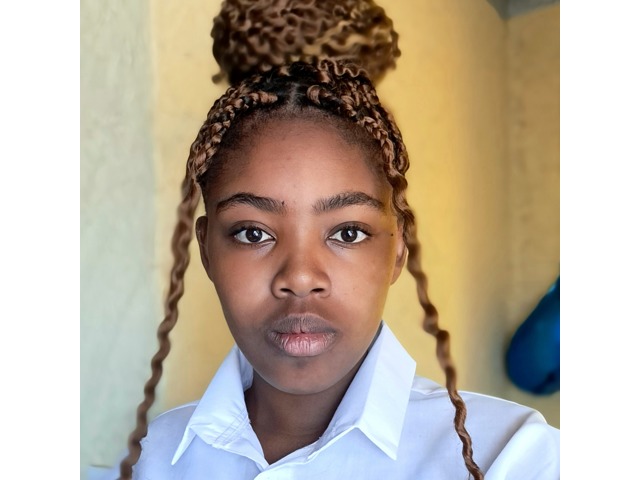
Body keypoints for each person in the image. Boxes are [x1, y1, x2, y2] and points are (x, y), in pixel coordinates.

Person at [105, 1, 559, 479]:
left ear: (397, 249)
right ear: (206, 251)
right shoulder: (151, 458)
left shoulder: (516, 455)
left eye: (347, 232)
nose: (300, 277)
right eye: (253, 233)